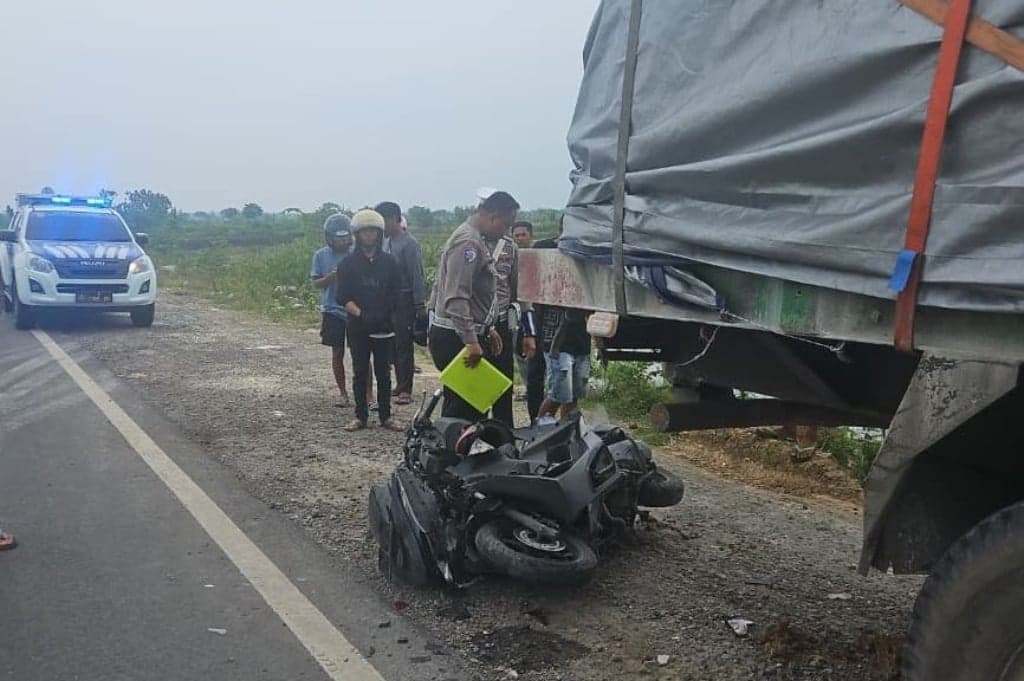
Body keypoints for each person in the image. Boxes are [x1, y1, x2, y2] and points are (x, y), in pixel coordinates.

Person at [428, 191, 520, 421]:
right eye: (505, 225)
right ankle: (446, 456)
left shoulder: (475, 238)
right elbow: (456, 298)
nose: (505, 233)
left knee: (473, 406)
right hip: (454, 337)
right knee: (463, 411)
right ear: (493, 217)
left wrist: (487, 328)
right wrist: (471, 341)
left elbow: (476, 298)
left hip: (468, 333)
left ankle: (460, 454)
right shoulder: (468, 243)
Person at [336, 209, 403, 432]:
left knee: (384, 372)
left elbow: (396, 292)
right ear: (357, 234)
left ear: (379, 233)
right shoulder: (347, 264)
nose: (369, 236)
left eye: (373, 231)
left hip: (384, 325)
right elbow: (343, 297)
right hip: (358, 325)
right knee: (360, 370)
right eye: (364, 231)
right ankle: (360, 416)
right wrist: (361, 314)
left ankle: (386, 416)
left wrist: (386, 314)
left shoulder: (390, 262)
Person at [484, 219, 536, 428]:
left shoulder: (510, 249)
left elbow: (521, 294)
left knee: (504, 384)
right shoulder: (468, 244)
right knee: (473, 387)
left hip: (503, 323)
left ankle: (503, 436)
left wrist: (529, 333)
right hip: (475, 327)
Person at [378, 201, 426, 406]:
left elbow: (417, 275)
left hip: (405, 299)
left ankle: (406, 388)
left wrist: (419, 303)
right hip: (388, 300)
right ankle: (399, 384)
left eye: (383, 222)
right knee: (393, 345)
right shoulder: (386, 242)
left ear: (393, 219)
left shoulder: (409, 243)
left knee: (404, 344)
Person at [310, 214, 355, 407]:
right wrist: (332, 277)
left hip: (355, 309)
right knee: (337, 352)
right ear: (329, 238)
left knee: (361, 353)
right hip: (332, 310)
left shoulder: (357, 253)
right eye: (339, 239)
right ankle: (343, 393)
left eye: (346, 238)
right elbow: (316, 283)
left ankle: (369, 395)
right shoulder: (321, 256)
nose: (343, 242)